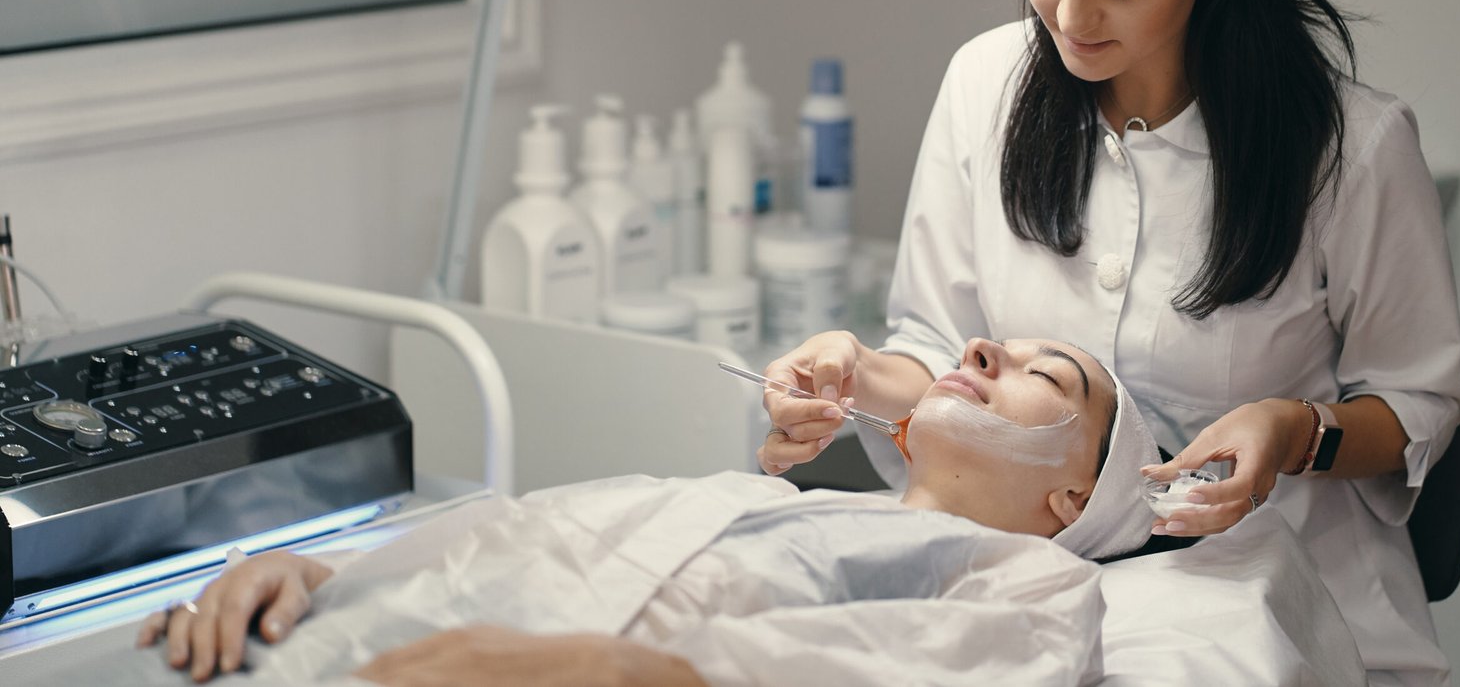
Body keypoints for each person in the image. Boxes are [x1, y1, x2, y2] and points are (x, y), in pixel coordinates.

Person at [760, 0, 1460, 687]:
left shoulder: (1351, 148)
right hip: (1033, 583)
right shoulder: (984, 84)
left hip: (1283, 612)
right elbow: (940, 348)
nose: (1072, 14)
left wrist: (1293, 430)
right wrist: (853, 371)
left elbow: (1419, 404)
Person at [134, 338, 1160, 686]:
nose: (984, 349)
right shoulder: (743, 496)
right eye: (996, 340)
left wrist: (618, 669)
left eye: (1046, 374)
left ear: (1072, 497)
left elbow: (900, 670)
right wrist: (324, 578)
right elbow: (518, 541)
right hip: (313, 646)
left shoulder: (1041, 583)